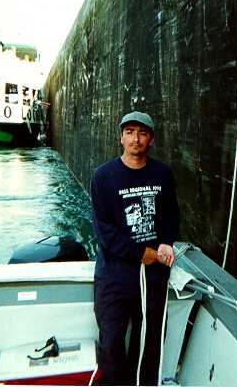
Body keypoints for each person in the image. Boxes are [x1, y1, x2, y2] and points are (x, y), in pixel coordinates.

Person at [90, 111, 180, 386]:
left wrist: (166, 242)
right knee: (112, 341)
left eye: (142, 133)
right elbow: (104, 230)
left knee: (150, 343)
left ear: (151, 139)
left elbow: (171, 215)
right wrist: (141, 253)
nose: (135, 138)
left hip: (152, 278)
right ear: (121, 137)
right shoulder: (103, 177)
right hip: (114, 277)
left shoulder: (163, 173)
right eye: (129, 132)